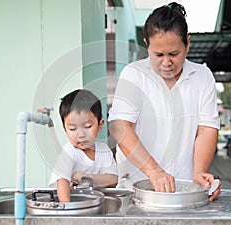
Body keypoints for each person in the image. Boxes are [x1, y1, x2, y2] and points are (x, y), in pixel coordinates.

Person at [108, 2, 221, 201]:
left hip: (184, 191)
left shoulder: (202, 76)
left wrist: (199, 172)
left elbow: (207, 128)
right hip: (135, 192)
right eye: (158, 54)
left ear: (188, 43)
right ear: (146, 44)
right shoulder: (134, 75)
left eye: (174, 54)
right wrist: (154, 171)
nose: (166, 62)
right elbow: (121, 127)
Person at [49, 89, 118, 202]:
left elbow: (113, 179)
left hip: (96, 203)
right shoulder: (69, 153)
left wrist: (88, 178)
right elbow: (62, 181)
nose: (81, 135)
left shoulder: (104, 150)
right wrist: (68, 209)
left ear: (100, 125)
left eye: (87, 126)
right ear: (65, 129)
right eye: (72, 129)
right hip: (75, 204)